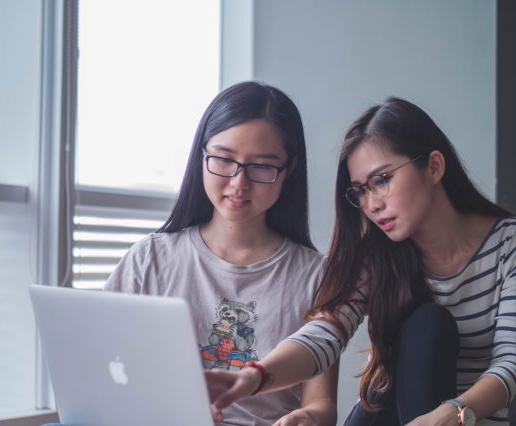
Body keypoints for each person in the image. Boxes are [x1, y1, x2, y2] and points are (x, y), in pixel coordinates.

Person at [206, 97, 516, 426]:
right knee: (425, 324)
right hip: (392, 416)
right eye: (360, 191)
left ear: (434, 167)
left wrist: (450, 414)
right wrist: (255, 377)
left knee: (429, 323)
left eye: (382, 180)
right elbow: (324, 334)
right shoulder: (377, 254)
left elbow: (511, 363)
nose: (371, 204)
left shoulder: (508, 245)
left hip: (460, 418)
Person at [102, 81, 338, 425]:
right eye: (224, 160)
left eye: (261, 166)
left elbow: (321, 404)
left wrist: (307, 419)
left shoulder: (316, 275)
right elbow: (100, 368)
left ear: (290, 170)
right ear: (202, 155)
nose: (239, 183)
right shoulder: (150, 259)